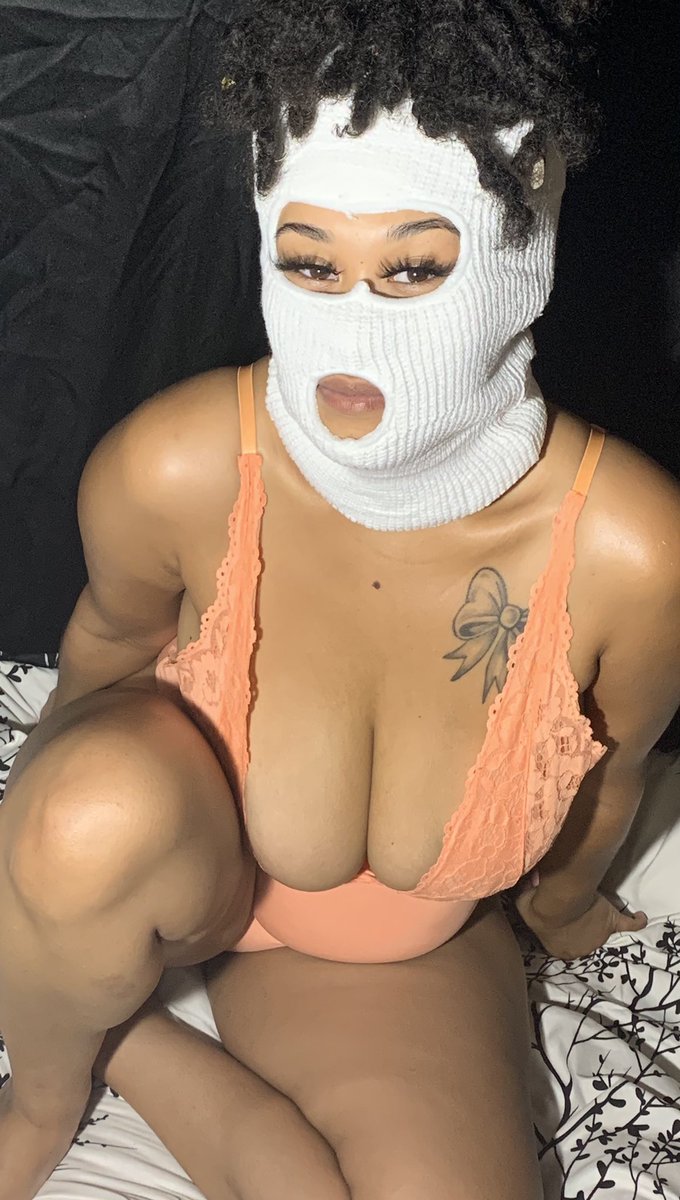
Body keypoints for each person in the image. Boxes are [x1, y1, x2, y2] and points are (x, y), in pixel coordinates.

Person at [1, 3, 679, 1199]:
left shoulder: (629, 553)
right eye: (311, 262)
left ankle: (131, 1042)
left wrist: (565, 911)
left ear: (524, 239)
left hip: (377, 958)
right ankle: (48, 1089)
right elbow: (99, 660)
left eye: (412, 267)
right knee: (86, 816)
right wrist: (57, 885)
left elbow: (613, 770)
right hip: (192, 865)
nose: (353, 330)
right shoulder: (178, 468)